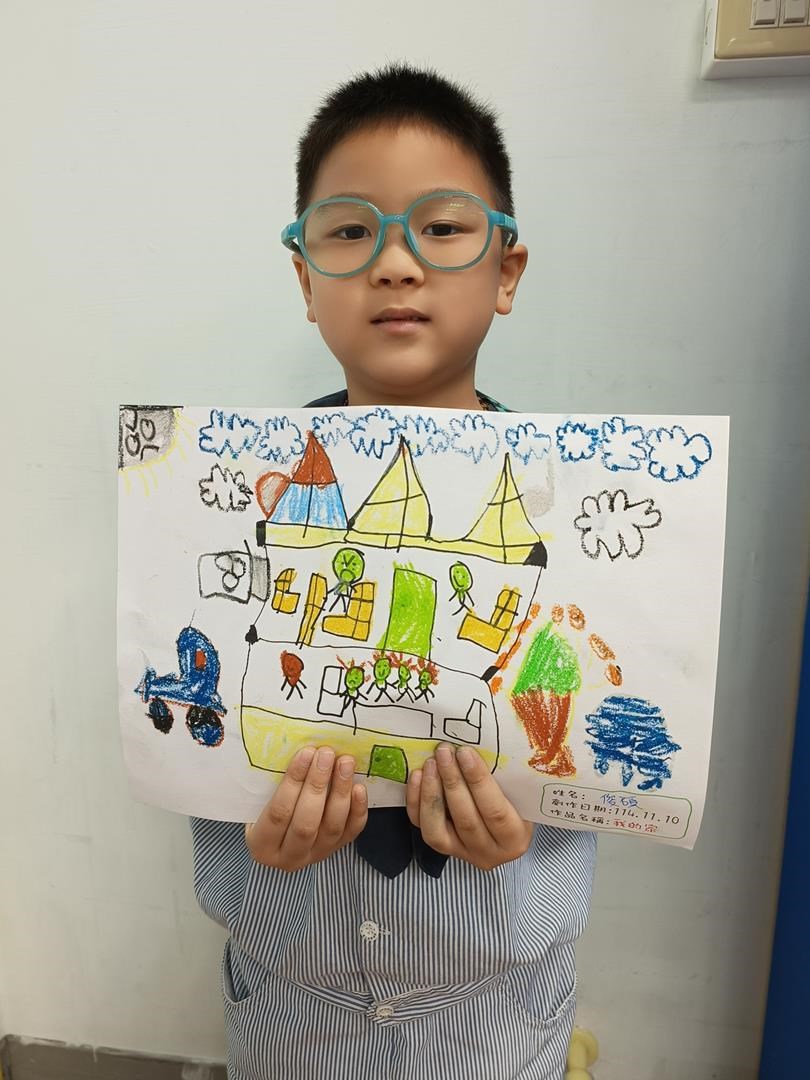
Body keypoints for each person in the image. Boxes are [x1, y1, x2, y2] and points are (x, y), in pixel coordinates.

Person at [191, 62, 596, 1080]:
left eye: (443, 227)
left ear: (506, 271)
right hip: (296, 998)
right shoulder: (238, 506)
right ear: (305, 280)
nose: (396, 264)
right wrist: (256, 861)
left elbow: (585, 728)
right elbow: (208, 710)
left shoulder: (572, 512)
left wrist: (522, 851)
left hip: (497, 1003)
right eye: (349, 231)